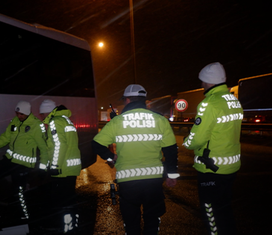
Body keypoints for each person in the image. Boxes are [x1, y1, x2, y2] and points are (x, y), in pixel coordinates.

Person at [92, 84, 179, 235]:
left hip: (128, 182)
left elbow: (96, 144)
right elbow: (170, 150)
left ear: (127, 100)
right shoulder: (160, 120)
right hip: (153, 181)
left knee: (131, 222)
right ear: (144, 100)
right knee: (152, 220)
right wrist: (171, 175)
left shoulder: (117, 122)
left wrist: (111, 156)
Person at [183, 62, 243, 235]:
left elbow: (197, 138)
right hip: (230, 167)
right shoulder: (233, 101)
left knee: (211, 214)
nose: (201, 84)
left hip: (211, 168)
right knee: (224, 210)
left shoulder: (209, 104)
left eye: (203, 81)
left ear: (209, 82)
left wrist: (186, 142)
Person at [0, 100, 48, 220]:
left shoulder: (36, 125)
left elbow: (44, 148)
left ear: (27, 113)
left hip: (24, 165)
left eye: (22, 114)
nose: (19, 116)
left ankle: (23, 217)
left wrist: (43, 167)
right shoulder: (15, 122)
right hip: (9, 160)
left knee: (18, 191)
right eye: (17, 113)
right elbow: (5, 138)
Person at [38, 99, 82, 233]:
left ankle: (64, 228)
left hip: (62, 169)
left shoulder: (55, 121)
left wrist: (55, 166)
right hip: (70, 168)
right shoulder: (65, 120)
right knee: (69, 200)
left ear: (47, 112)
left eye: (42, 114)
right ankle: (72, 226)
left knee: (61, 201)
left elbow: (59, 145)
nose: (41, 117)